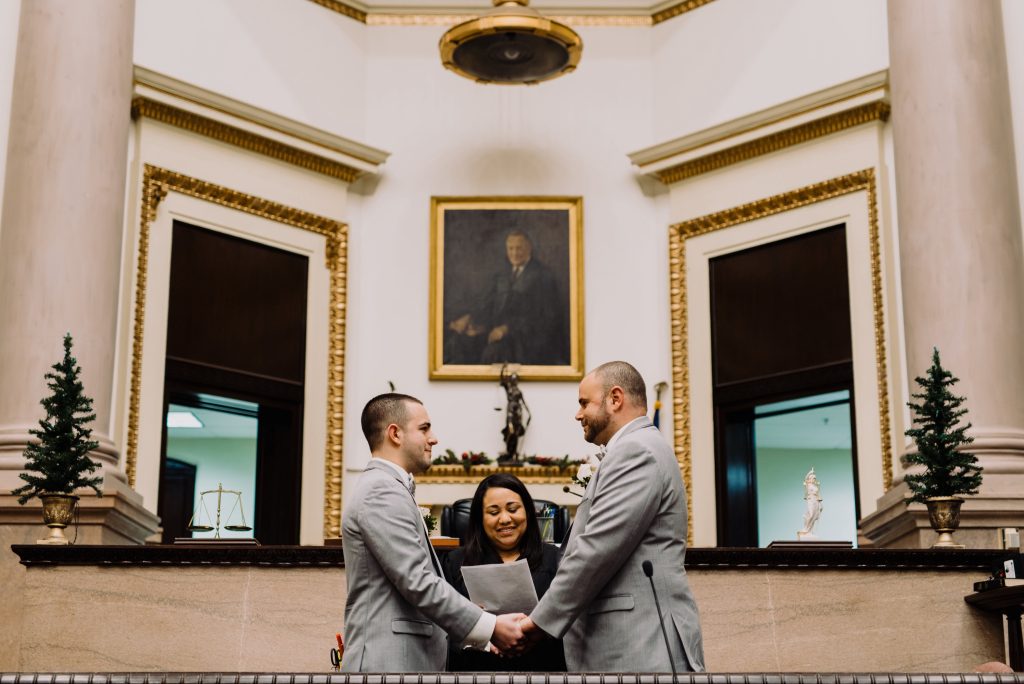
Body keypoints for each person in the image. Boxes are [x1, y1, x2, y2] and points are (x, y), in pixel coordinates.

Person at [517, 361, 705, 672]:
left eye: (584, 403)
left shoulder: (637, 452)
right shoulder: (636, 448)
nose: (578, 414)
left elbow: (597, 550)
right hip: (632, 646)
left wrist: (538, 623)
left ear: (615, 399)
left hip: (642, 646)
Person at [341, 393, 526, 672]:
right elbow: (417, 581)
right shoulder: (381, 490)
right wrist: (491, 627)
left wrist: (483, 639)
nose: (434, 439)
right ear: (395, 434)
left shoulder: (389, 487)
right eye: (424, 429)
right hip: (387, 664)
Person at [442, 474, 567, 672]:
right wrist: (479, 634)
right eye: (493, 512)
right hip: (476, 672)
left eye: (513, 509)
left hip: (543, 670)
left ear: (527, 512)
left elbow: (569, 621)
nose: (505, 519)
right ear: (480, 519)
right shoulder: (455, 562)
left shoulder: (556, 559)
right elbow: (445, 630)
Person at [445, 230, 566, 365]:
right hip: (495, 332)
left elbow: (545, 319)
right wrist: (470, 319)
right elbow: (487, 302)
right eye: (510, 248)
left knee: (493, 353)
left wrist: (507, 329)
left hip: (525, 340)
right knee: (459, 342)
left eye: (519, 248)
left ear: (529, 248)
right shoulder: (502, 273)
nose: (514, 253)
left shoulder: (543, 276)